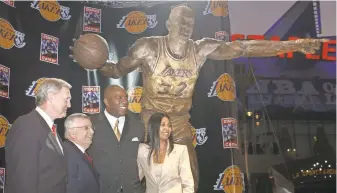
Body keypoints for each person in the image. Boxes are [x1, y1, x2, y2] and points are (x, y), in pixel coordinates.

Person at [70, 6, 325, 190]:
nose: (186, 26)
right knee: (143, 179)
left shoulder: (200, 49)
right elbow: (116, 69)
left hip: (179, 121)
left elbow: (244, 47)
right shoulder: (148, 47)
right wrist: (95, 62)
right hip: (149, 119)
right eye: (181, 21)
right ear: (169, 23)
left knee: (189, 177)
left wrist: (293, 45)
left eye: (190, 22)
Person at [5, 78, 71, 193]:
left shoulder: (48, 128)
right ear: (51, 97)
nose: (69, 105)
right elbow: (23, 180)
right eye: (66, 99)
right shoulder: (28, 125)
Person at [87, 85, 145, 193]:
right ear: (107, 101)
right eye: (119, 98)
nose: (125, 101)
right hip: (102, 189)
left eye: (125, 97)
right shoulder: (91, 124)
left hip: (133, 189)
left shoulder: (138, 125)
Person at [137, 113, 194, 193]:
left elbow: (188, 184)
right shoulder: (142, 150)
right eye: (163, 125)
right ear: (153, 127)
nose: (167, 128)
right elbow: (136, 179)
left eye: (169, 125)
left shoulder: (180, 150)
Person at [63, 113, 99, 193]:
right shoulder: (67, 155)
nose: (92, 131)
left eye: (91, 127)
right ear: (72, 133)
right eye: (86, 128)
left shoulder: (78, 152)